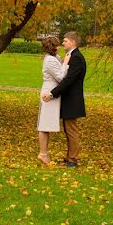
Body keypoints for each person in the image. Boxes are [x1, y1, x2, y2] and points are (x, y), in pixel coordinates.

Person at [42, 31, 86, 167]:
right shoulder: (70, 56)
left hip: (73, 100)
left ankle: (72, 159)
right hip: (68, 99)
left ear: (73, 42)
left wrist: (52, 93)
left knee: (71, 130)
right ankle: (69, 157)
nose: (63, 43)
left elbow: (68, 81)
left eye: (65, 40)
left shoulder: (76, 57)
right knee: (68, 129)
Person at [36, 36, 66, 165]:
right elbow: (60, 77)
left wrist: (63, 61)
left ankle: (44, 153)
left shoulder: (54, 58)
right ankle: (43, 154)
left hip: (53, 93)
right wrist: (66, 63)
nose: (59, 47)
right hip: (49, 93)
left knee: (47, 125)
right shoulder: (49, 60)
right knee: (44, 125)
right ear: (52, 47)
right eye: (57, 45)